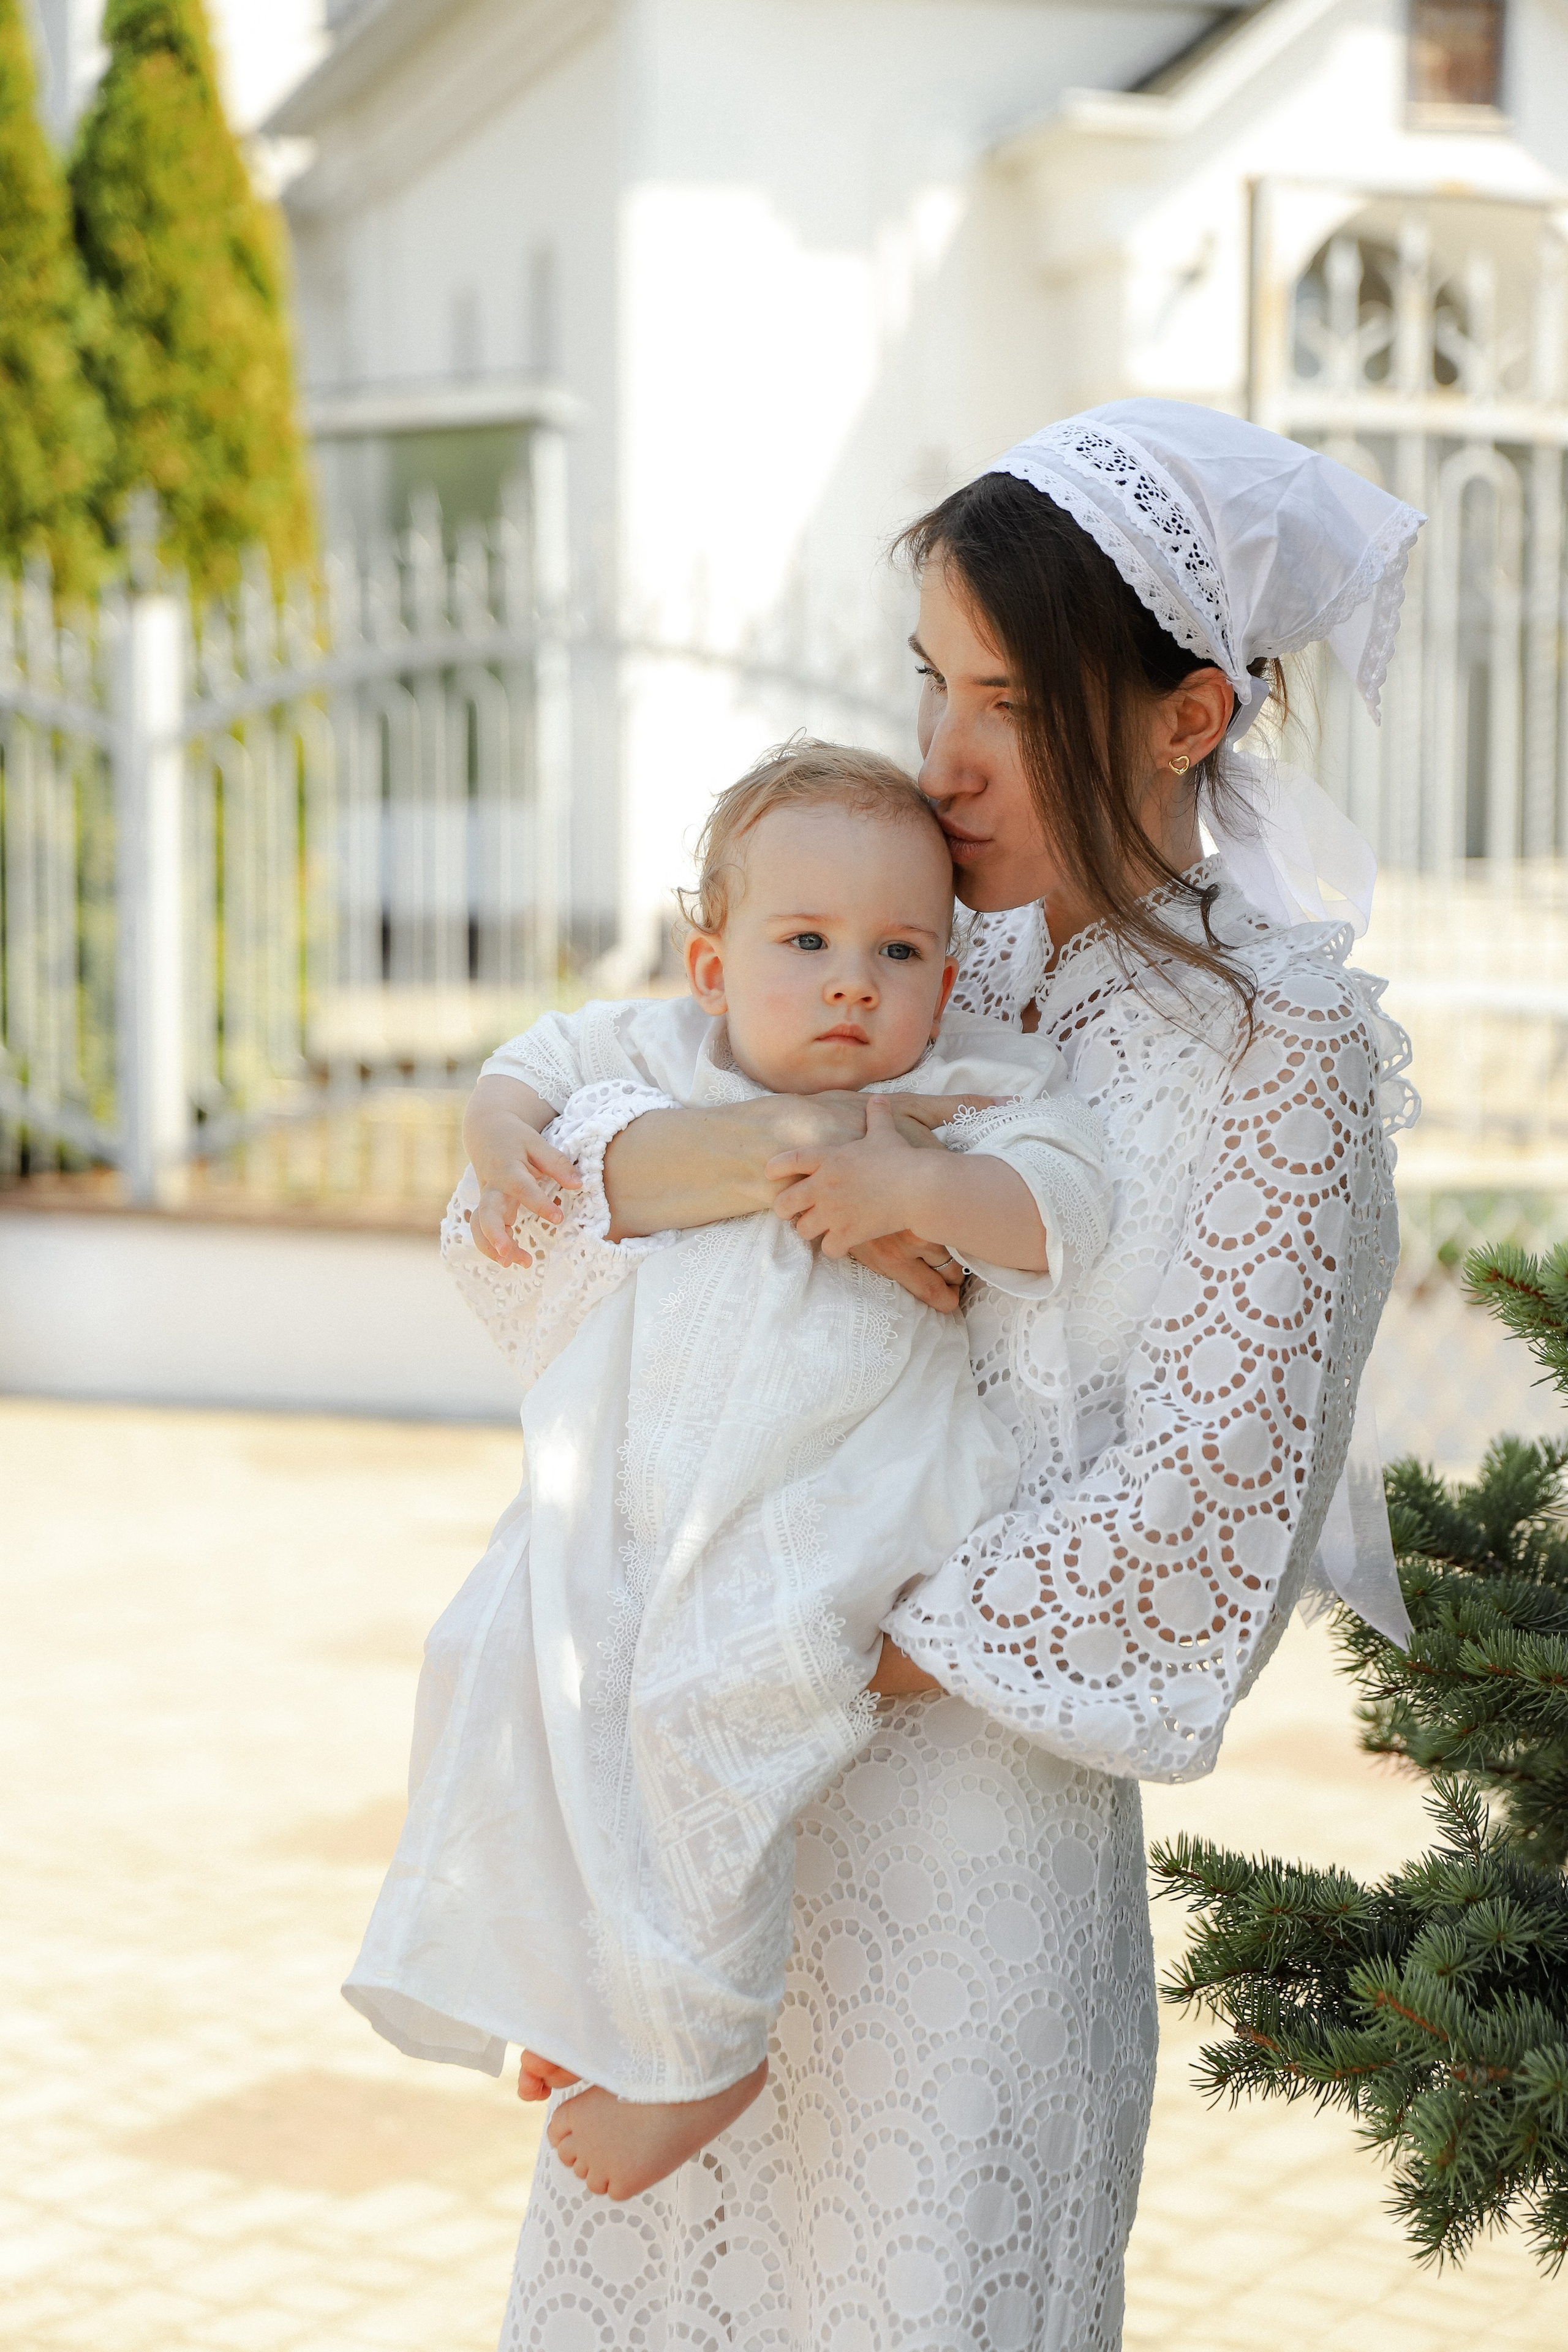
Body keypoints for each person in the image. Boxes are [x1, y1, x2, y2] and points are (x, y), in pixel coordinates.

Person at [484, 401, 1423, 2352]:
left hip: (969, 1871)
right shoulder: (910, 948)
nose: (944, 756)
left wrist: (776, 1644)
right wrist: (807, 1154)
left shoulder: (1289, 1059)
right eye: (932, 681)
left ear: (1191, 715)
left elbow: (1202, 1516)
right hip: (705, 1825)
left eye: (1008, 700)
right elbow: (547, 1211)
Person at [344, 741, 1114, 2204]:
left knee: (717, 1698)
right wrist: (498, 1139)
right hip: (646, 1482)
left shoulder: (960, 1084)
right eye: (805, 942)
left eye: (897, 952)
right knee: (499, 1664)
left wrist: (922, 1185)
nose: (852, 984)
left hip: (837, 1486)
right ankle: (574, 1987)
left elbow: (1062, 1202)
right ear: (711, 966)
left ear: (945, 979)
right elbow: (528, 1069)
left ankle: (702, 2048)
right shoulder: (656, 1058)